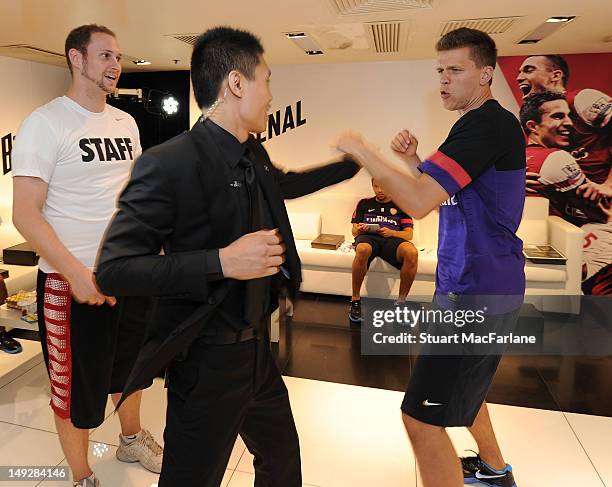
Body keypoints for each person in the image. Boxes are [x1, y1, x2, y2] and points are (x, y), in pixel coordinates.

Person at [95, 26, 360, 487]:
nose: (272, 96)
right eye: (268, 80)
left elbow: (284, 185)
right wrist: (222, 261)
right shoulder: (168, 162)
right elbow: (115, 271)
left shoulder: (251, 154)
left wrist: (354, 162)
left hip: (257, 354)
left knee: (282, 466)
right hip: (205, 364)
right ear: (236, 83)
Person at [335, 27, 524, 487]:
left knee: (421, 419)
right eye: (440, 70)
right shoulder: (474, 125)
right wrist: (417, 158)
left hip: (477, 293)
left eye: (455, 70)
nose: (443, 80)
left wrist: (367, 154)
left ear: (486, 75)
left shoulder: (488, 124)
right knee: (465, 391)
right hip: (474, 285)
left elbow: (418, 202)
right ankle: (496, 471)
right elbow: (441, 191)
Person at [11, 25, 163, 487]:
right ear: (76, 59)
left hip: (127, 275)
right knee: (74, 389)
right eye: (104, 56)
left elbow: (134, 193)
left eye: (118, 56)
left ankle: (131, 437)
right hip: (69, 282)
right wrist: (76, 272)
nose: (115, 64)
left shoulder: (125, 123)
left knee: (132, 367)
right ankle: (82, 476)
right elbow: (24, 213)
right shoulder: (46, 122)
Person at [519, 91, 612, 295]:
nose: (569, 123)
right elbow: (601, 214)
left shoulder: (512, 159)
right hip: (549, 249)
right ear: (533, 127)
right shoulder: (557, 159)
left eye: (568, 115)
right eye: (558, 116)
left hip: (519, 250)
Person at [515, 54, 612, 187]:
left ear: (555, 76)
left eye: (529, 70)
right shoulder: (533, 117)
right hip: (576, 199)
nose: (519, 78)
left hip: (604, 199)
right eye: (519, 72)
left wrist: (609, 185)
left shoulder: (582, 99)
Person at [349, 178, 418, 322]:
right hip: (368, 238)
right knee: (361, 249)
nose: (379, 190)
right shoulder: (364, 203)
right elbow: (354, 231)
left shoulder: (401, 204)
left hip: (392, 240)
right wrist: (360, 229)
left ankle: (401, 303)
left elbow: (408, 234)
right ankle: (355, 300)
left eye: (383, 186)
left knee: (412, 253)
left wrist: (392, 233)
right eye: (376, 186)